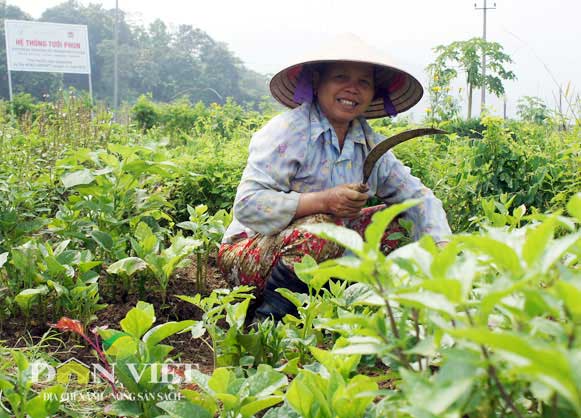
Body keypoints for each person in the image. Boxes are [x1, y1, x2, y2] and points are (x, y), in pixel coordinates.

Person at [217, 34, 451, 320]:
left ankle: (348, 301)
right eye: (341, 77)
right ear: (317, 81)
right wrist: (323, 201)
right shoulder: (287, 132)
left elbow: (418, 196)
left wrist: (442, 249)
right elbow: (248, 204)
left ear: (373, 91)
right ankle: (269, 321)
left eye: (364, 82)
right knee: (322, 229)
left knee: (403, 218)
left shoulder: (367, 144)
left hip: (323, 256)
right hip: (250, 253)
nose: (352, 89)